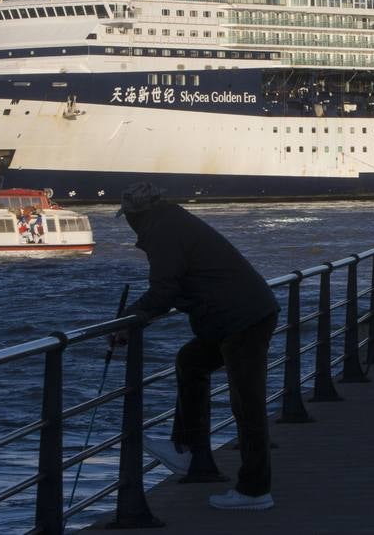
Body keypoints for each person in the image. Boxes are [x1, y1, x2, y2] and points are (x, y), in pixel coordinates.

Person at [119, 181, 281, 512]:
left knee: (247, 405)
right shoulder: (174, 221)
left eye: (128, 217)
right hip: (238, 314)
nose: (127, 223)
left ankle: (255, 490)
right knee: (191, 361)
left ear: (137, 215)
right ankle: (188, 448)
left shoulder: (163, 233)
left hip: (241, 320)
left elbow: (163, 291)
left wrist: (129, 318)